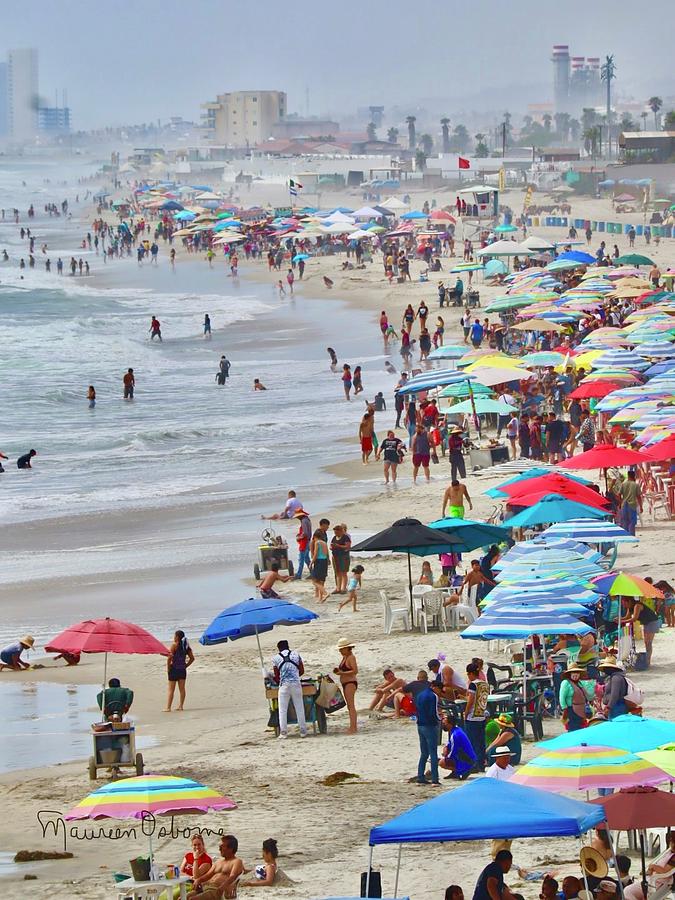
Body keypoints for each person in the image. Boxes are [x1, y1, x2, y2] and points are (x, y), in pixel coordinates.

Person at [272, 639, 307, 739]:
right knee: (299, 707)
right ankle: (303, 731)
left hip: (284, 686)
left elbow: (277, 676)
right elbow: (301, 671)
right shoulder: (296, 654)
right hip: (296, 684)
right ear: (288, 646)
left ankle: (283, 733)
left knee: (283, 710)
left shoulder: (276, 658)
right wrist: (294, 675)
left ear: (279, 648)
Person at [191, 834, 244, 899]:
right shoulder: (218, 862)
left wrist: (222, 887)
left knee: (192, 899)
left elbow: (232, 876)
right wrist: (198, 880)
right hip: (206, 887)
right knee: (183, 897)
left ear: (230, 848)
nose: (219, 849)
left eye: (222, 846)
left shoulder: (237, 861)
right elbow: (207, 875)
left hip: (218, 890)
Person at [414, 675, 441, 785]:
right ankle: (435, 778)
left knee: (424, 753)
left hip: (420, 725)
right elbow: (433, 712)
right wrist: (440, 719)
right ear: (435, 687)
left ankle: (420, 776)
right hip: (430, 726)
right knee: (433, 753)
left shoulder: (420, 695)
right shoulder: (433, 696)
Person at [464, 661, 489, 770]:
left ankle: (475, 764)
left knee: (472, 741)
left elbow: (471, 700)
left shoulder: (473, 684)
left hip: (473, 716)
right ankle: (481, 763)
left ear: (470, 673)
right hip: (482, 715)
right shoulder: (484, 684)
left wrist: (466, 713)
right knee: (481, 741)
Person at [625, 597, 660, 666]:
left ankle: (648, 660)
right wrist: (619, 619)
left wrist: (621, 621)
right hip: (646, 622)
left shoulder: (637, 606)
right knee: (646, 642)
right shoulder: (630, 607)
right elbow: (627, 617)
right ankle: (647, 659)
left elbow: (634, 618)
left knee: (648, 642)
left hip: (652, 621)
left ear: (629, 601)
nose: (624, 605)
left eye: (624, 602)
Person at [439, 715, 476, 780]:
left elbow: (453, 751)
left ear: (450, 724)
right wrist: (446, 747)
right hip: (468, 757)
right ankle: (456, 772)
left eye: (445, 724)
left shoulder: (455, 735)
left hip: (467, 760)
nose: (443, 725)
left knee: (441, 763)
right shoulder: (456, 730)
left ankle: (463, 770)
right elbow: (450, 744)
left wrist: (445, 758)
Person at [165, 630, 194, 712]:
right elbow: (192, 658)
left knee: (171, 690)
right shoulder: (186, 646)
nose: (173, 637)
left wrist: (168, 668)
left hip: (174, 669)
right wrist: (185, 666)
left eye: (174, 636)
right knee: (182, 689)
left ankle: (168, 708)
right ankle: (181, 706)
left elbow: (170, 657)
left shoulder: (174, 645)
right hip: (182, 670)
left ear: (177, 637)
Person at [334, 638, 358, 733]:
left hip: (350, 683)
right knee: (349, 706)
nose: (340, 651)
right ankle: (352, 726)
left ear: (347, 648)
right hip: (345, 683)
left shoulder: (351, 657)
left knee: (351, 706)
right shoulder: (345, 657)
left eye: (342, 649)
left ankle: (353, 727)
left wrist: (342, 673)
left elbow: (355, 671)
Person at [559, 665, 592, 731]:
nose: (575, 675)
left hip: (581, 710)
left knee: (581, 728)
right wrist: (565, 709)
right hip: (571, 710)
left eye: (577, 673)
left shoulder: (579, 683)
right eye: (573, 672)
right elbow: (562, 697)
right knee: (573, 728)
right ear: (569, 674)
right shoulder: (566, 683)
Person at [310, 519, 330, 602]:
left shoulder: (317, 542)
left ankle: (324, 593)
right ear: (322, 525)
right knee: (321, 579)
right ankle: (320, 596)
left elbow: (315, 553)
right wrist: (328, 559)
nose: (328, 527)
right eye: (327, 525)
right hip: (324, 559)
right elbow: (327, 551)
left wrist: (311, 562)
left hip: (319, 560)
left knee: (315, 580)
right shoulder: (322, 540)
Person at [330, 523, 351, 593]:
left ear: (341, 531)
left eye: (336, 532)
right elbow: (331, 545)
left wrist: (338, 546)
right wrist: (332, 547)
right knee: (337, 572)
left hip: (343, 556)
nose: (335, 534)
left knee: (344, 572)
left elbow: (348, 547)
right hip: (335, 556)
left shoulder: (346, 537)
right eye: (334, 532)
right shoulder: (334, 537)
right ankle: (338, 588)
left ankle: (344, 588)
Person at [619, 470, 642, 536]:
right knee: (632, 521)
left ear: (628, 476)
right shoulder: (635, 485)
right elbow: (638, 496)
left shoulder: (623, 484)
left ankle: (625, 535)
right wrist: (641, 506)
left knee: (625, 521)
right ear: (634, 476)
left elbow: (619, 494)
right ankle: (631, 535)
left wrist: (620, 502)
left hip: (624, 504)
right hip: (632, 504)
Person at [293, 509, 312, 579]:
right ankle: (312, 572)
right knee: (307, 559)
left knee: (301, 559)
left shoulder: (303, 521)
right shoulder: (307, 519)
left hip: (304, 542)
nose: (297, 518)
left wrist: (299, 537)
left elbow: (305, 533)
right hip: (308, 541)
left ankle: (298, 574)